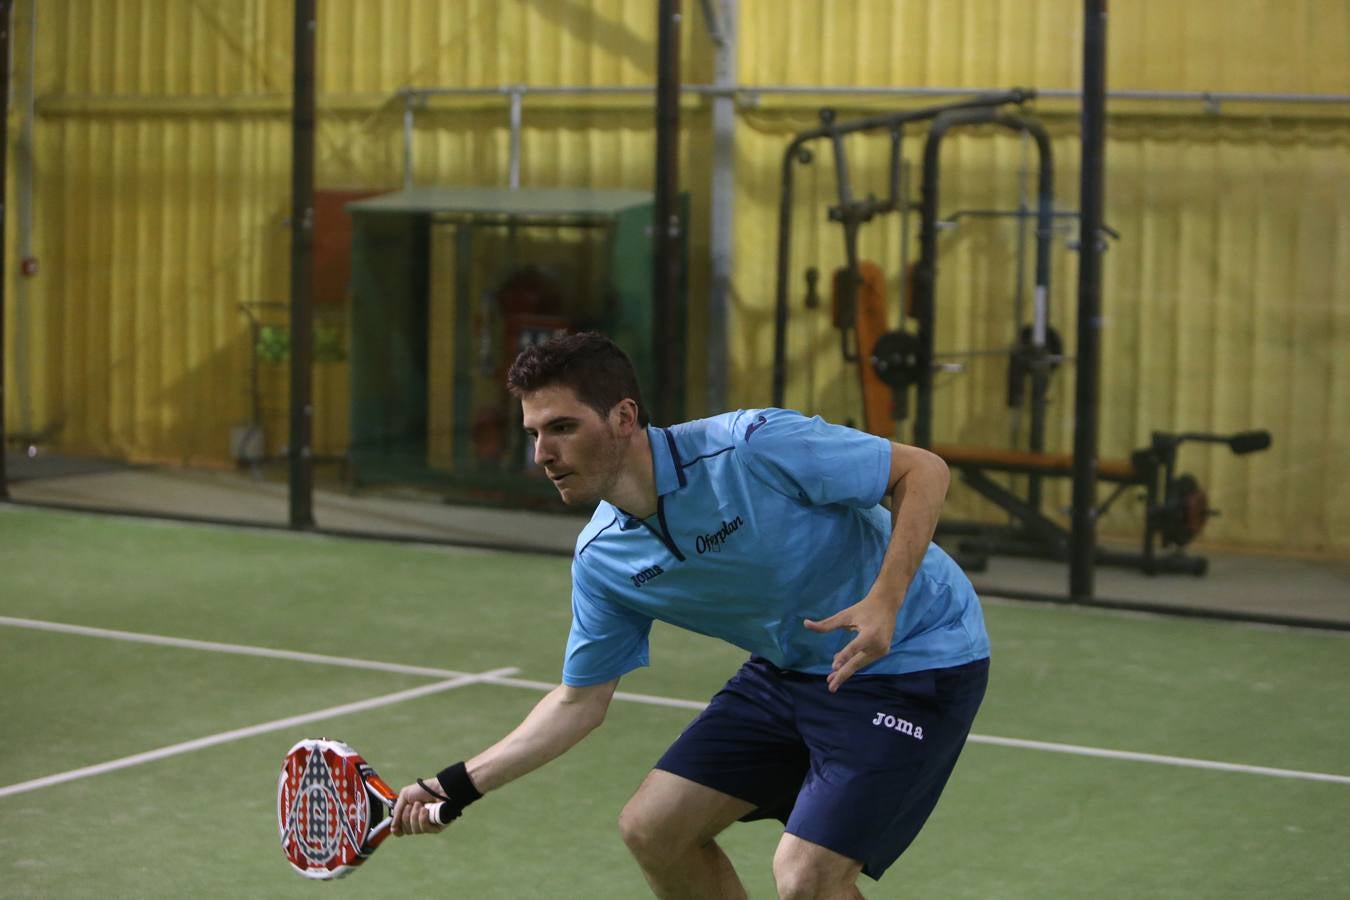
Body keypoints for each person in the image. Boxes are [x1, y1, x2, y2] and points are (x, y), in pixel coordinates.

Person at [391, 332, 990, 900]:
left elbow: (923, 470)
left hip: (914, 654)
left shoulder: (751, 447)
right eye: (534, 434)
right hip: (792, 667)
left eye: (563, 428)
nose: (544, 454)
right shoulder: (605, 558)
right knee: (653, 829)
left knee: (806, 875)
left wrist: (886, 599)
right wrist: (455, 786)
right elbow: (578, 704)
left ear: (624, 418)